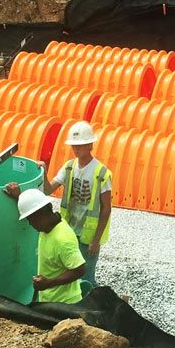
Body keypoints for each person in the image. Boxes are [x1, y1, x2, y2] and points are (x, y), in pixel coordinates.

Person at [41, 121, 112, 287]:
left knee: (86, 277)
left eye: (79, 145)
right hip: (69, 229)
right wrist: (44, 171)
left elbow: (106, 208)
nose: (76, 149)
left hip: (88, 234)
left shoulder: (101, 173)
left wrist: (96, 240)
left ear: (90, 146)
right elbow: (48, 189)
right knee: (68, 271)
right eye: (74, 146)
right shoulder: (69, 167)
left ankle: (89, 307)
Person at [11, 187, 85, 304]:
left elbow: (80, 269)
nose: (30, 224)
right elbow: (35, 206)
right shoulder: (47, 225)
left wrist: (49, 282)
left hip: (65, 304)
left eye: (30, 219)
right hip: (49, 300)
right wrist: (20, 197)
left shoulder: (62, 239)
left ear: (41, 214)